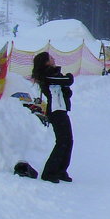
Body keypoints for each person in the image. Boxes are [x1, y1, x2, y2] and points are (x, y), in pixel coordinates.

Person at [31, 51, 75, 183]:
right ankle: (49, 172)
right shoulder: (46, 76)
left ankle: (61, 171)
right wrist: (68, 78)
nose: (53, 59)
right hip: (55, 111)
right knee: (62, 141)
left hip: (61, 109)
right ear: (46, 62)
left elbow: (66, 89)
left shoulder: (54, 74)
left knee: (68, 141)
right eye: (50, 58)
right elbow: (68, 80)